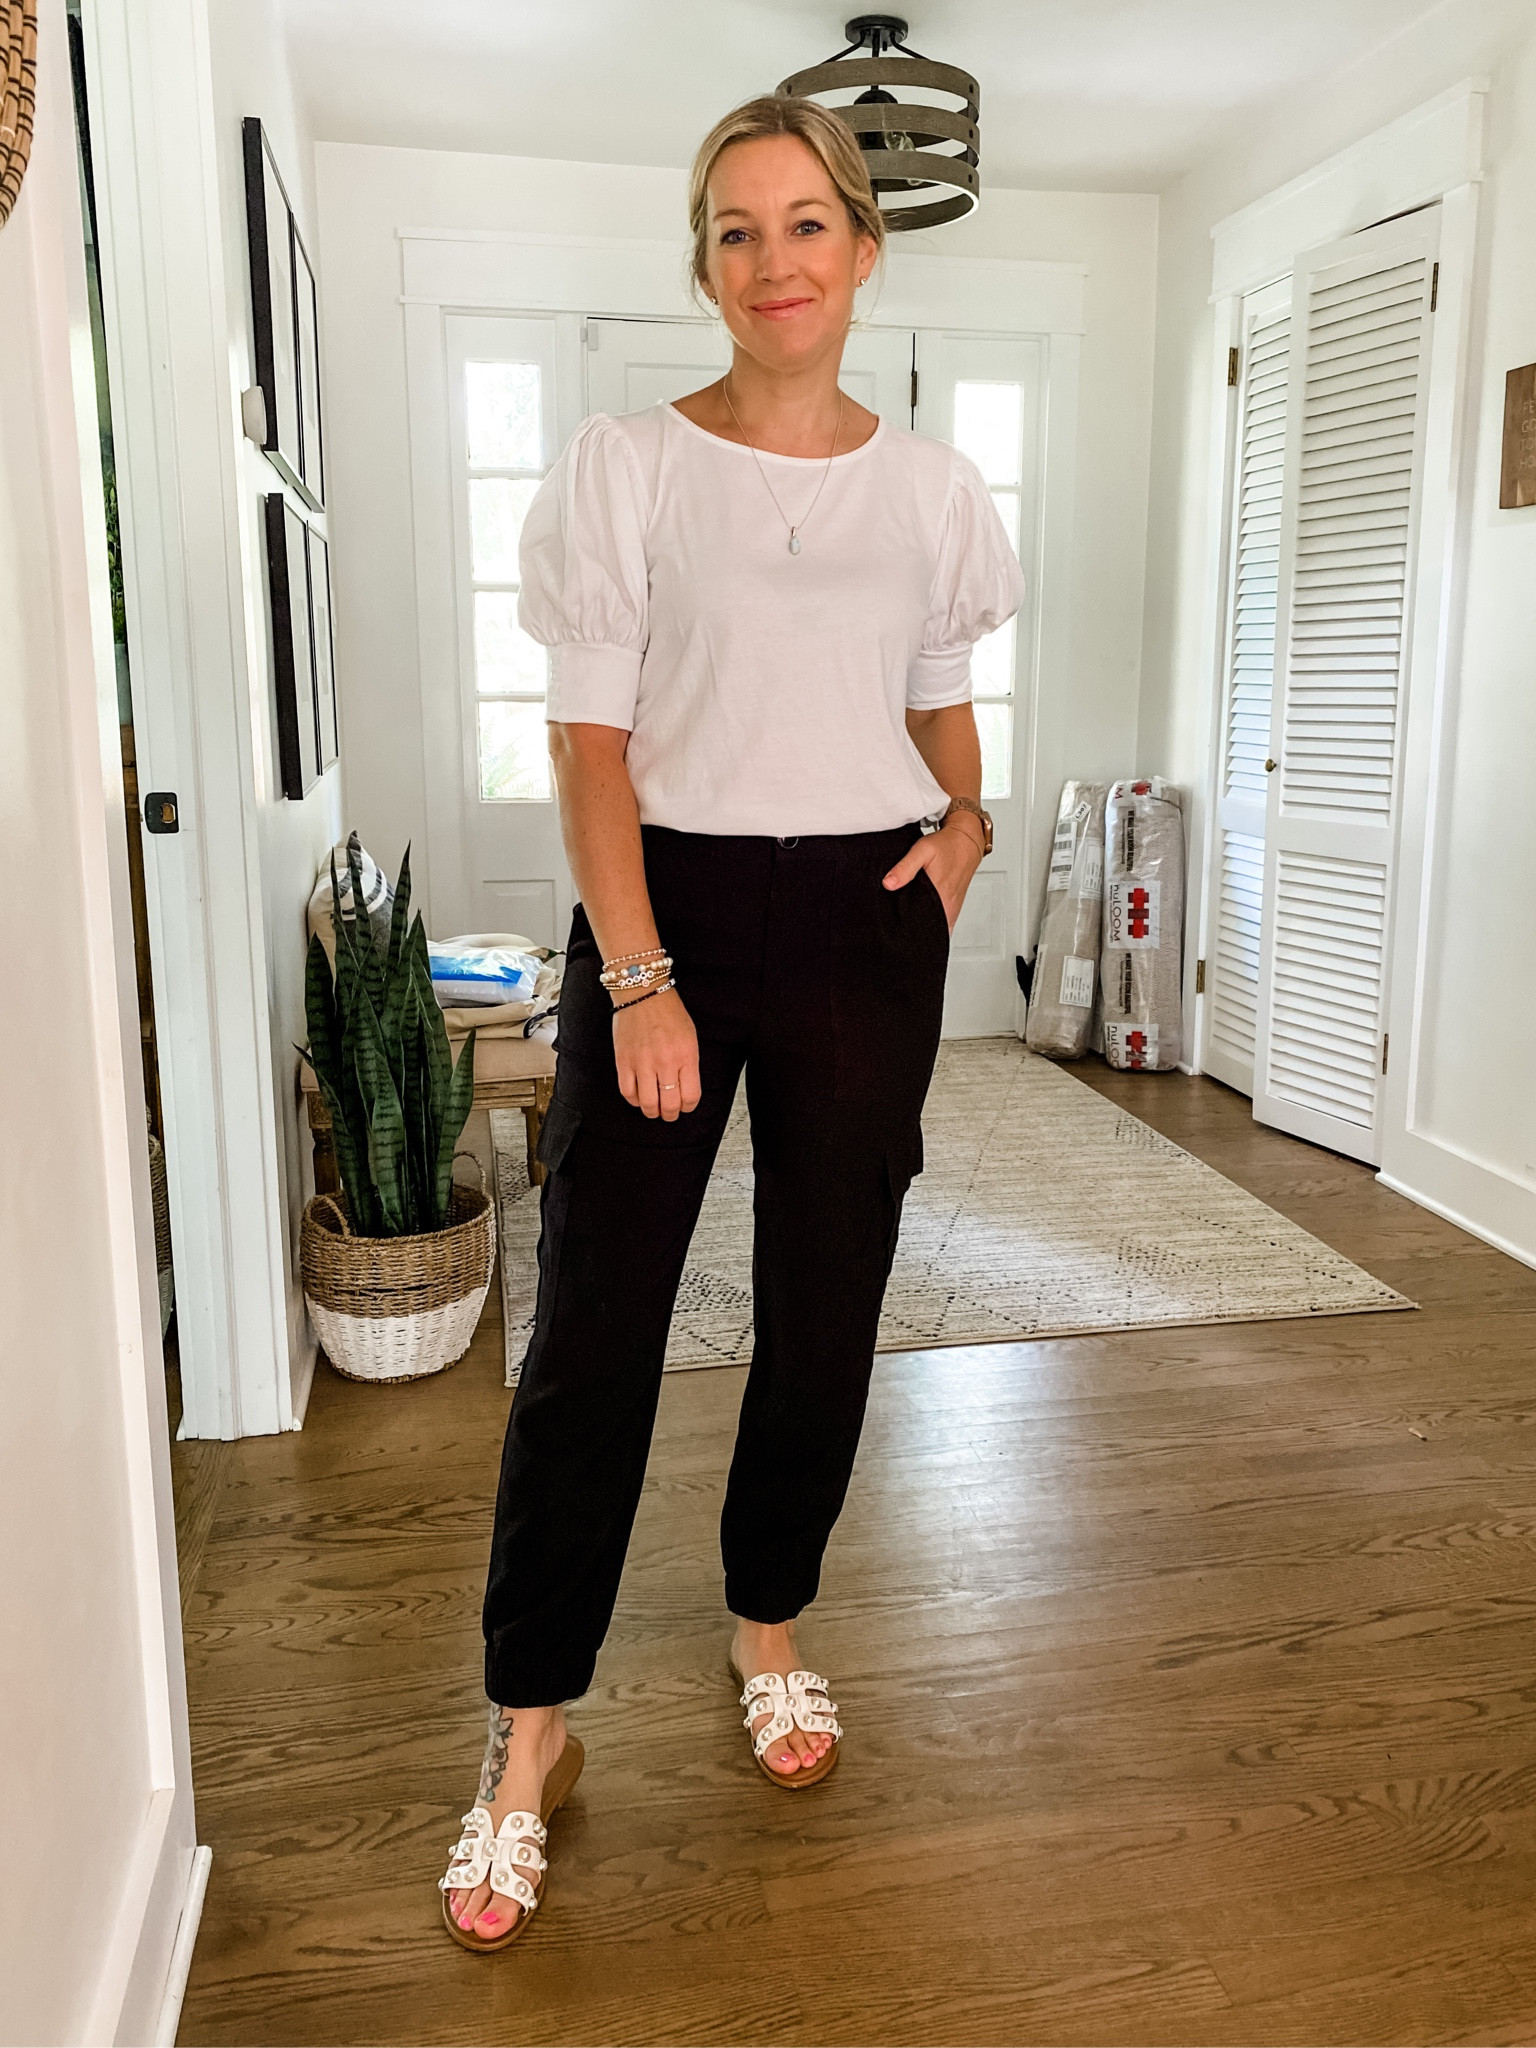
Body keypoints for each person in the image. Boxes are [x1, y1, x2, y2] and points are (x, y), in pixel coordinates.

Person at [441, 91, 1024, 1952]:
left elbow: (938, 697)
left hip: (866, 915)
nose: (771, 263)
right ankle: (530, 1736)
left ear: (863, 246)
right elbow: (589, 746)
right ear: (702, 261)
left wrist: (965, 829)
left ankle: (768, 1624)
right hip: (667, 908)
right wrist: (637, 976)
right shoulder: (629, 466)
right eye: (732, 230)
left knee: (825, 1301)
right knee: (595, 1331)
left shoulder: (933, 490)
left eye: (803, 225)